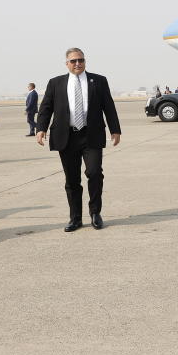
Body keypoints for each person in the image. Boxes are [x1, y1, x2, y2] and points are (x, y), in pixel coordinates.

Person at [37, 48, 121, 232]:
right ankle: (75, 218)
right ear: (66, 63)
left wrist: (115, 129)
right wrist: (40, 129)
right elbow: (46, 108)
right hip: (66, 137)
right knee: (72, 180)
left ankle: (95, 213)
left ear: (85, 61)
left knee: (94, 173)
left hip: (91, 135)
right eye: (73, 61)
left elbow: (108, 106)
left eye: (81, 60)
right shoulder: (55, 83)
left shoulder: (98, 81)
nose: (77, 64)